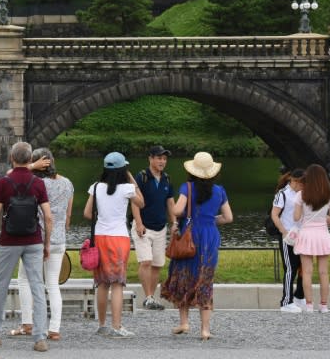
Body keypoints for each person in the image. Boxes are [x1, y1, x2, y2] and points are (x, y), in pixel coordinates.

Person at [0, 141, 53, 353]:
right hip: (33, 240)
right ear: (31, 160)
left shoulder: (3, 183)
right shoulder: (38, 183)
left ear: (12, 159)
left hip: (9, 240)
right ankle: (40, 338)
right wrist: (46, 243)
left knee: (1, 286)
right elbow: (48, 217)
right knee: (37, 287)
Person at [161, 151, 233, 341]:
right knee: (205, 279)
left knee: (183, 275)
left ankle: (184, 323)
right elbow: (228, 217)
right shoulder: (220, 191)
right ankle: (205, 330)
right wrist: (210, 220)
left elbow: (176, 210)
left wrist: (183, 215)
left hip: (190, 235)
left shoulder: (187, 187)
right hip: (210, 236)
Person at [11, 148, 73, 341]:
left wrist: (30, 166)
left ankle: (27, 324)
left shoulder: (36, 183)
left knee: (24, 279)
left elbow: (12, 177)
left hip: (36, 239)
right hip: (59, 239)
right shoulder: (67, 183)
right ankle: (54, 329)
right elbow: (68, 216)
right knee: (52, 284)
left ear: (37, 163)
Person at [83, 152, 144, 338]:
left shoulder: (95, 187)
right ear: (122, 170)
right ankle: (117, 326)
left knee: (102, 283)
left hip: (100, 237)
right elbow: (141, 203)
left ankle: (102, 325)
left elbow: (87, 213)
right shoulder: (127, 188)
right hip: (119, 238)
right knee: (117, 283)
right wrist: (132, 178)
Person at [131, 145, 175, 310]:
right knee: (146, 261)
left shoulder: (167, 179)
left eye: (164, 158)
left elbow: (170, 203)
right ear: (150, 158)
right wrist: (139, 222)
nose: (162, 161)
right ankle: (148, 297)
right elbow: (134, 201)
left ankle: (151, 297)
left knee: (157, 264)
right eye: (159, 158)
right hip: (143, 226)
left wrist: (174, 222)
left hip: (160, 227)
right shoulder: (141, 177)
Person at [293, 164, 330, 313]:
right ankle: (324, 305)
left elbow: (296, 218)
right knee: (324, 272)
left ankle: (309, 305)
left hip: (306, 234)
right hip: (322, 235)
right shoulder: (329, 196)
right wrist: (323, 218)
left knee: (307, 272)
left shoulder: (301, 195)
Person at [270, 168, 306, 313]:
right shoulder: (282, 194)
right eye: (303, 182)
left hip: (302, 235)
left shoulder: (304, 194)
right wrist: (283, 232)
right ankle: (286, 301)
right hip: (288, 237)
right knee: (290, 268)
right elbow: (274, 214)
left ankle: (299, 295)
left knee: (303, 268)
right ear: (295, 181)